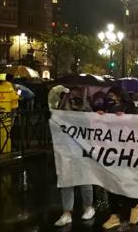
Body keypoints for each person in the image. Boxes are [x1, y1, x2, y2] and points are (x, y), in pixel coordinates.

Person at [98, 85, 138, 230]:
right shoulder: (109, 108)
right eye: (110, 96)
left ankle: (134, 206)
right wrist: (99, 116)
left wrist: (126, 119)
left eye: (114, 96)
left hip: (127, 152)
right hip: (112, 151)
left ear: (120, 95)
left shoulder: (130, 108)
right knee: (111, 185)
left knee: (125, 183)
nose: (111, 99)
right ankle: (114, 215)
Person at [54, 87, 95, 227]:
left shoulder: (87, 106)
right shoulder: (64, 104)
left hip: (82, 147)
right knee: (67, 179)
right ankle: (67, 212)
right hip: (66, 146)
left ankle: (88, 207)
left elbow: (93, 124)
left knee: (84, 179)